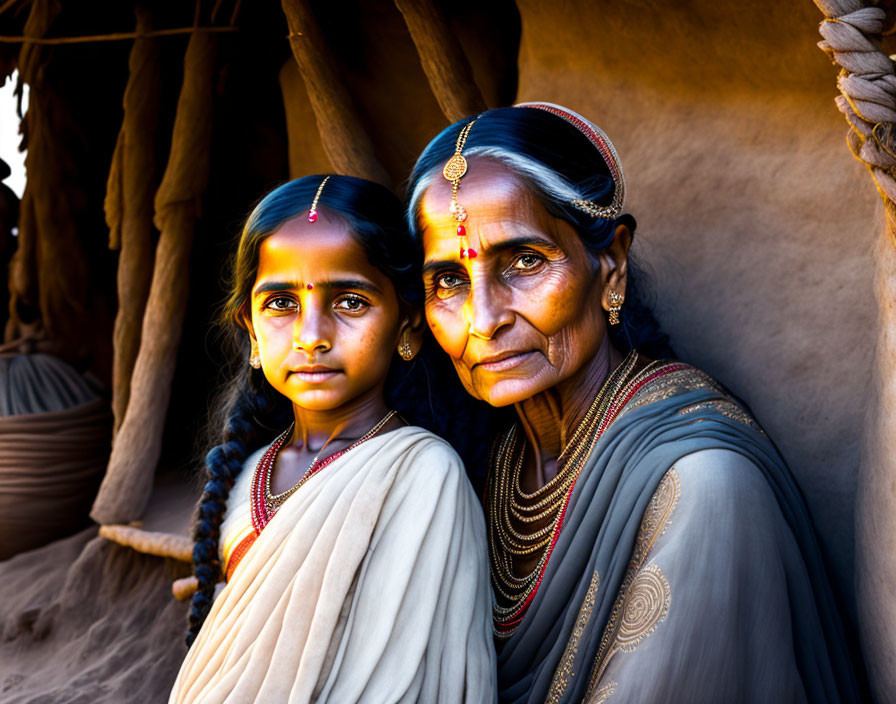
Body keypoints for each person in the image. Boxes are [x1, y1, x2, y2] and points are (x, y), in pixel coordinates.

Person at [406, 103, 862, 703]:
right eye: (449, 281)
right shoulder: (488, 463)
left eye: (524, 262)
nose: (483, 320)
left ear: (611, 264)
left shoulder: (705, 485)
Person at [170, 175, 496, 703]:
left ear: (409, 325)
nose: (311, 334)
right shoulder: (247, 474)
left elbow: (405, 678)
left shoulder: (421, 476)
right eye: (280, 303)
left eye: (349, 301)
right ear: (250, 330)